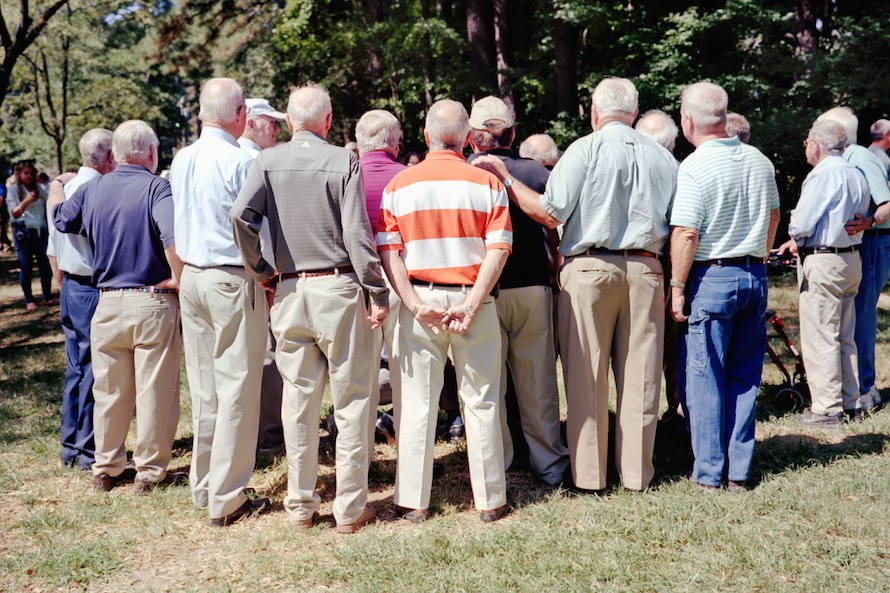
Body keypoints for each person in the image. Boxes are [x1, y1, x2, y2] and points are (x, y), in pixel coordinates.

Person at [475, 78, 677, 493]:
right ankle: (636, 475)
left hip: (588, 271)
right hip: (647, 268)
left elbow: (549, 214)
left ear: (593, 112)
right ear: (635, 113)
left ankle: (590, 476)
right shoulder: (664, 158)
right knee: (641, 379)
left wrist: (508, 181)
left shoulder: (584, 149)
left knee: (586, 375)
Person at [232, 83, 388, 534]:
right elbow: (357, 235)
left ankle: (300, 505)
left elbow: (241, 217)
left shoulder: (267, 160)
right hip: (338, 289)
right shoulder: (343, 160)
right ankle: (350, 507)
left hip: (290, 291)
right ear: (327, 118)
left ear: (288, 119)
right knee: (354, 400)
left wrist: (261, 270)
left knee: (297, 404)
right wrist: (376, 290)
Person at [378, 99, 512, 522]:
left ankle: (413, 501)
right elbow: (499, 248)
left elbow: (390, 253)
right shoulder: (487, 184)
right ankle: (490, 500)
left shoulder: (399, 186)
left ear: (425, 136)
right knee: (482, 400)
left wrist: (415, 305)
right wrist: (472, 304)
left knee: (416, 402)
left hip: (421, 299)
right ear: (469, 138)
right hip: (474, 299)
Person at [52, 120, 185, 495]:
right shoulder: (158, 188)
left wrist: (56, 188)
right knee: (155, 389)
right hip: (151, 301)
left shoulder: (92, 189)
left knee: (109, 391)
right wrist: (178, 278)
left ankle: (106, 467)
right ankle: (149, 471)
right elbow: (171, 236)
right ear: (149, 151)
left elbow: (61, 219)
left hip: (107, 302)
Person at [670, 82, 780, 491]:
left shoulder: (694, 166)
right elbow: (773, 217)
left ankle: (709, 471)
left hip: (710, 276)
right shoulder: (760, 160)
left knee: (704, 376)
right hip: (754, 274)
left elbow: (685, 233)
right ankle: (738, 471)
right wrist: (759, 255)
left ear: (689, 120)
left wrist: (678, 286)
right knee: (746, 374)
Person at [169, 78, 269, 527]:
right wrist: (265, 271)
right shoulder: (241, 158)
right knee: (238, 388)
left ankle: (205, 483)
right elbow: (254, 226)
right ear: (241, 112)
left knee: (206, 387)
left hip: (192, 277)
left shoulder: (182, 157)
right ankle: (227, 496)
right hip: (231, 277)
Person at [465, 96, 569, 486]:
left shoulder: (463, 174)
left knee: (487, 383)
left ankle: (500, 460)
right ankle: (550, 464)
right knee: (538, 381)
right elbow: (555, 230)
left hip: (480, 291)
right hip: (531, 287)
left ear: (472, 138)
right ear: (512, 133)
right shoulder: (537, 172)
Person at [777, 120, 869, 425]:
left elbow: (801, 223)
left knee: (821, 335)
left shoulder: (821, 175)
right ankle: (851, 401)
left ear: (817, 143)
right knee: (845, 335)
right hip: (851, 258)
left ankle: (827, 409)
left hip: (824, 259)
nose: (805, 146)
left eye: (807, 141)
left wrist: (795, 237)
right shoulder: (856, 174)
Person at [45, 128, 116, 471]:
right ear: (109, 156)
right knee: (92, 369)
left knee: (75, 366)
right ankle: (88, 450)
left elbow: (52, 247)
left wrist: (61, 282)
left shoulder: (62, 191)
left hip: (71, 285)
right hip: (90, 286)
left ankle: (70, 445)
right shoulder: (95, 192)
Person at [819, 107, 890, 412]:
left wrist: (869, 222)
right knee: (851, 316)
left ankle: (866, 388)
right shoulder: (843, 160)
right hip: (861, 243)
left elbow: (886, 203)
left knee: (861, 316)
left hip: (873, 244)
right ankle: (852, 384)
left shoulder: (860, 158)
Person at [238, 96, 287, 455]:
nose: (276, 128)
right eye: (269, 121)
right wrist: (266, 271)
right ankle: (269, 435)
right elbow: (255, 226)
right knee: (267, 354)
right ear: (250, 123)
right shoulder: (252, 161)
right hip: (256, 272)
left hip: (239, 271)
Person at [634, 109, 684, 431]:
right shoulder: (681, 169)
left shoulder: (637, 168)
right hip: (669, 268)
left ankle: (669, 412)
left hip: (658, 267)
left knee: (653, 346)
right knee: (672, 346)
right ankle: (676, 409)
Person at [6, 160, 53, 311]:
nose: (29, 176)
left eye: (31, 173)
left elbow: (49, 200)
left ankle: (47, 296)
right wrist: (26, 201)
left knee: (45, 266)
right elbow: (13, 212)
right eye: (26, 173)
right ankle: (29, 300)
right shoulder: (13, 190)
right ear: (19, 174)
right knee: (26, 266)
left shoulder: (38, 188)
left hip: (40, 230)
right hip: (23, 232)